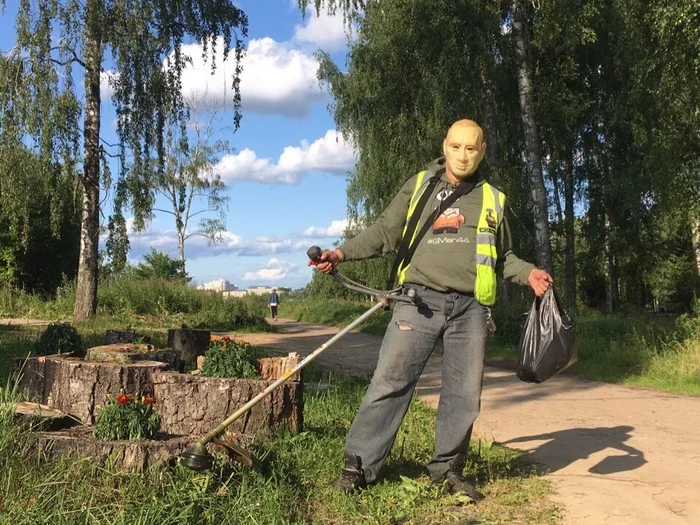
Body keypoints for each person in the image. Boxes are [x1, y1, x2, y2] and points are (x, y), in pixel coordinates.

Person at [309, 119, 552, 501]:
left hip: (471, 308)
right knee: (390, 382)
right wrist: (340, 253)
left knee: (464, 393)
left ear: (482, 150)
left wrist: (530, 274)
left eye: (471, 148)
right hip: (417, 302)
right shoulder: (421, 184)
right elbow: (384, 233)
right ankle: (358, 465)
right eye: (456, 146)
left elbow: (503, 258)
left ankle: (447, 470)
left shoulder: (493, 198)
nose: (463, 155)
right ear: (445, 145)